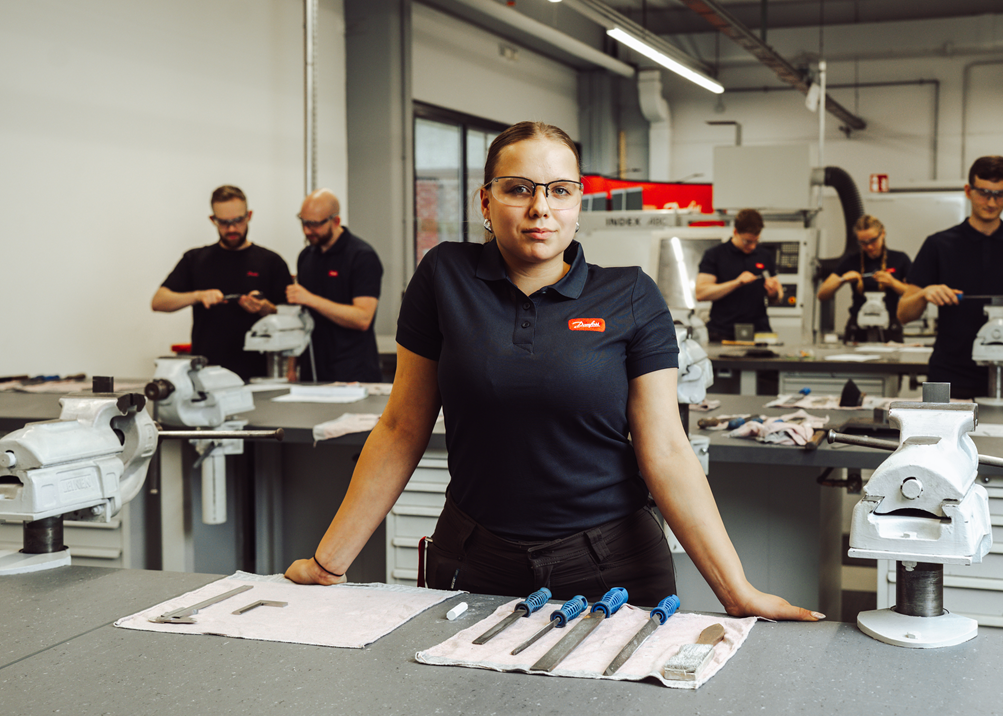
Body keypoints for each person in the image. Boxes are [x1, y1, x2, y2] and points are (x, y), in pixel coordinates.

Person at [285, 122, 820, 621]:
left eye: (560, 190)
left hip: (612, 566)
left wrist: (736, 593)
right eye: (519, 188)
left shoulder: (631, 294)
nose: (541, 208)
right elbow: (402, 427)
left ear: (577, 203)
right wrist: (329, 562)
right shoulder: (444, 277)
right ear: (486, 202)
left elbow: (666, 449)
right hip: (474, 560)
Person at [898, 156, 1003, 400]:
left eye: (1000, 194)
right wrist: (923, 293)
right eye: (983, 193)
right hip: (950, 376)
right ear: (968, 191)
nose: (992, 202)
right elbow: (903, 314)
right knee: (942, 439)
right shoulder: (938, 245)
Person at [151, 185, 290, 382]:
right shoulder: (196, 259)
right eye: (224, 222)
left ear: (249, 215)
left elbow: (293, 319)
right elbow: (158, 301)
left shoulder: (271, 262)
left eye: (238, 221)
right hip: (206, 374)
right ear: (213, 220)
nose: (232, 228)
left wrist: (265, 308)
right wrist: (197, 296)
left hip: (258, 375)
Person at [286, 189, 384, 383]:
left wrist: (311, 299)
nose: (307, 231)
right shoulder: (306, 256)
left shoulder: (361, 257)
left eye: (314, 224)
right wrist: (291, 368)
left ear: (336, 221)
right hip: (312, 371)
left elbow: (362, 318)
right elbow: (301, 317)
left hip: (353, 373)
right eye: (304, 223)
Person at [817, 215, 912, 343]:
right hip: (857, 328)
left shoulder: (900, 259)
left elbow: (914, 293)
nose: (869, 247)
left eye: (873, 240)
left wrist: (893, 283)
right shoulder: (851, 260)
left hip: (890, 327)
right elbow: (822, 294)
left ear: (882, 233)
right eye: (863, 242)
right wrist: (842, 280)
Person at [695, 209, 782, 343]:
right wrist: (736, 283)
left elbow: (778, 296)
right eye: (747, 241)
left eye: (756, 241)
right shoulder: (715, 255)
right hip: (722, 333)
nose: (752, 246)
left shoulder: (764, 256)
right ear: (735, 232)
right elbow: (701, 293)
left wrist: (773, 293)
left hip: (758, 333)